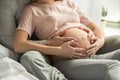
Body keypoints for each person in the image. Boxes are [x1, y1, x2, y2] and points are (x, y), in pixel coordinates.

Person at [14, 0, 120, 80]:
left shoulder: (68, 3)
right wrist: (59, 50)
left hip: (92, 53)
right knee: (113, 66)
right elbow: (19, 44)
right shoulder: (31, 10)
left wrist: (99, 42)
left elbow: (96, 27)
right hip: (67, 61)